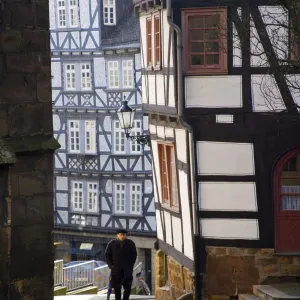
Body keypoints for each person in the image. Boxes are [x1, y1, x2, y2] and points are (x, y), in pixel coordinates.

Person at [105, 229, 137, 300]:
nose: (122, 236)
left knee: (128, 287)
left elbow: (134, 255)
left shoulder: (130, 243)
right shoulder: (112, 243)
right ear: (117, 235)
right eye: (121, 235)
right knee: (117, 288)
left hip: (127, 269)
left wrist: (130, 265)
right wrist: (111, 265)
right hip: (116, 269)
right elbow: (107, 255)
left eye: (124, 235)